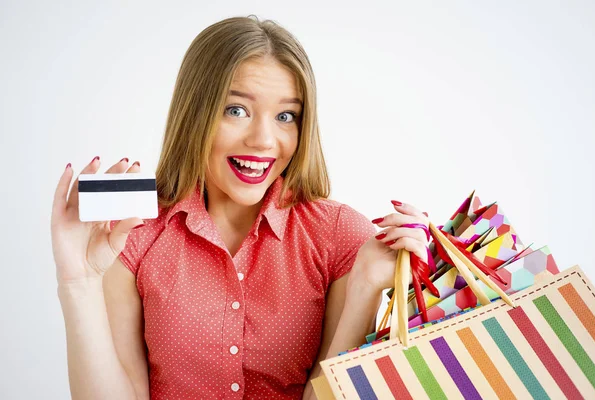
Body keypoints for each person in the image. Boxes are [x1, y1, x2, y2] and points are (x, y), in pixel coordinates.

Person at [51, 16, 430, 400]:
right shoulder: (135, 233)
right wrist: (78, 284)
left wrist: (364, 289)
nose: (264, 140)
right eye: (236, 110)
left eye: (286, 116)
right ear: (195, 113)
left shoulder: (339, 236)